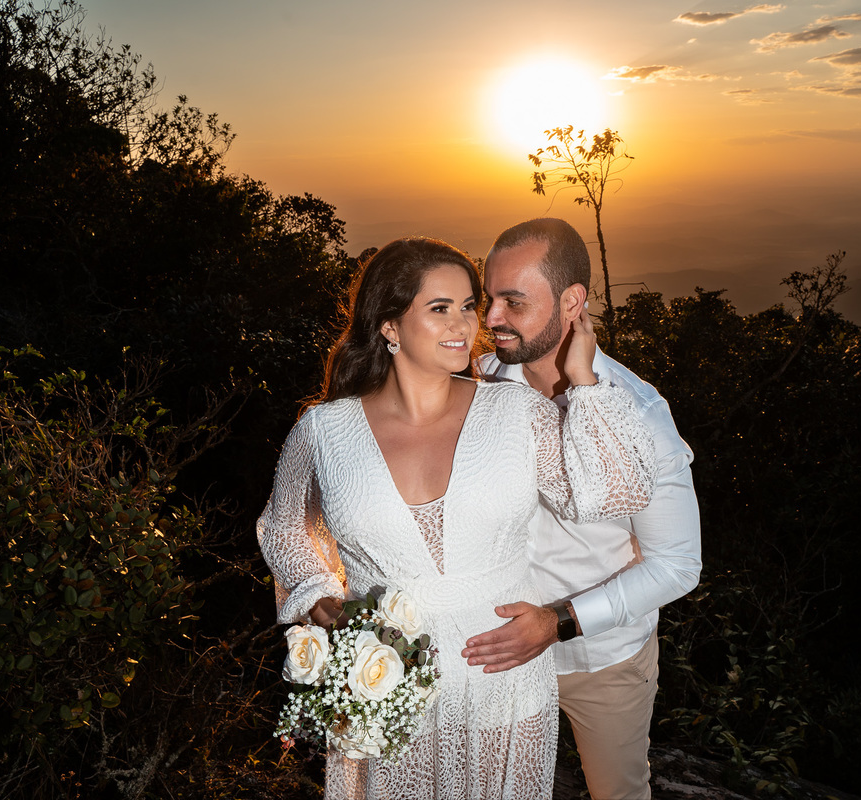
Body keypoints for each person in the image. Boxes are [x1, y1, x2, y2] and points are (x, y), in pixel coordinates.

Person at [255, 236, 656, 800]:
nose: (465, 325)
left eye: (469, 306)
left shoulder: (515, 411)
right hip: (385, 687)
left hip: (503, 679)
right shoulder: (323, 432)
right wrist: (320, 594)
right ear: (389, 326)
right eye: (440, 308)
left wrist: (583, 379)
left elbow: (612, 494)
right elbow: (284, 527)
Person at [462, 218, 702, 800]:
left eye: (513, 302)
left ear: (572, 302)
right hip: (494, 650)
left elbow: (677, 565)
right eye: (488, 298)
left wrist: (558, 622)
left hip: (604, 661)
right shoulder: (479, 381)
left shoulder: (640, 415)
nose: (491, 320)